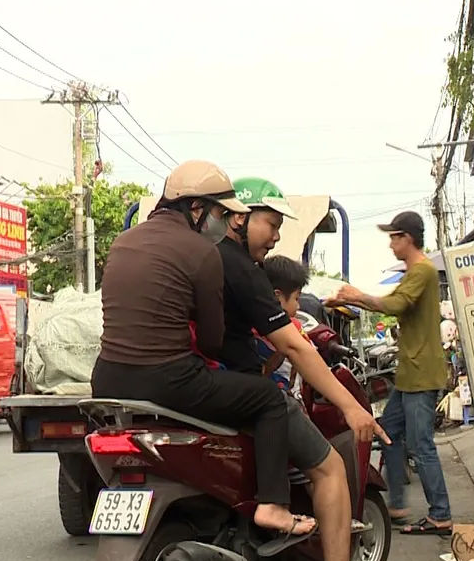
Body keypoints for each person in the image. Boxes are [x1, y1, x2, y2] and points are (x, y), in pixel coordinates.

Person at [92, 159, 316, 541]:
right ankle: (274, 505)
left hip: (107, 380)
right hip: (169, 381)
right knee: (267, 399)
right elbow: (213, 342)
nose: (226, 222)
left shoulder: (122, 241)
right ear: (196, 209)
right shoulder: (202, 252)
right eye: (220, 212)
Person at [220, 175, 386, 561]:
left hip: (196, 386)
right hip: (242, 392)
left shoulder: (201, 259)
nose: (276, 236)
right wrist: (352, 408)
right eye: (271, 224)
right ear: (238, 216)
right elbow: (297, 349)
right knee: (330, 468)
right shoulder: (244, 271)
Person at [327, 211, 451, 537]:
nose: (391, 244)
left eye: (395, 237)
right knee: (388, 433)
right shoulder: (415, 271)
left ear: (407, 238)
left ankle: (440, 515)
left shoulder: (421, 270)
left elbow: (395, 305)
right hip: (411, 373)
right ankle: (397, 504)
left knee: (422, 445)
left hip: (421, 374)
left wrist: (357, 297)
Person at [260, 254, 314, 390]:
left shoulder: (249, 327)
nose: (298, 306)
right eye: (296, 299)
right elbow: (310, 359)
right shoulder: (293, 327)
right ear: (277, 297)